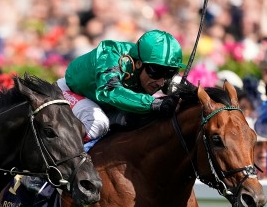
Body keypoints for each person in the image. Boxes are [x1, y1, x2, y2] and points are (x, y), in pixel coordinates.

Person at [55, 29, 184, 152]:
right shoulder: (112, 55)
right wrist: (154, 103)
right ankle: (60, 164)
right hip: (70, 92)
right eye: (157, 72)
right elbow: (109, 91)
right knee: (98, 124)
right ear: (139, 63)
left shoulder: (153, 71)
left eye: (168, 73)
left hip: (108, 107)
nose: (161, 82)